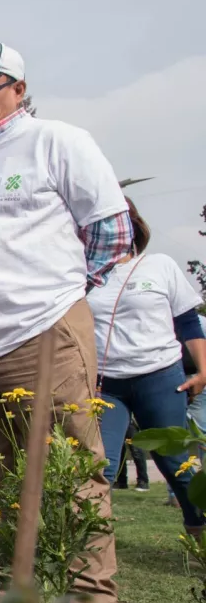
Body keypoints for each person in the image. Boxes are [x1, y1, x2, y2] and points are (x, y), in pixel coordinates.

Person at [0, 41, 130, 603]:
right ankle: (13, 588)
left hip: (41, 332)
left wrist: (62, 297)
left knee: (69, 462)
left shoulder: (56, 142)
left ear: (17, 88)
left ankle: (90, 592)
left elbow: (112, 229)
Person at [86, 198, 205, 537]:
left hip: (160, 378)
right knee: (100, 467)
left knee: (177, 466)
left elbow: (188, 324)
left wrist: (203, 371)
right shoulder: (85, 278)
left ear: (131, 224)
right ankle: (89, 551)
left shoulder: (159, 265)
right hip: (106, 386)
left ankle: (199, 535)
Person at [110, 416, 149, 491]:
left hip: (131, 421)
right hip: (117, 422)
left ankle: (143, 482)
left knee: (136, 451)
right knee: (120, 451)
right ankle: (121, 482)